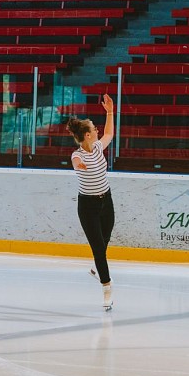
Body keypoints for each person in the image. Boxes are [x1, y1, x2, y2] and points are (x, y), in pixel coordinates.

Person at [66, 94, 115, 311]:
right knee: (98, 248)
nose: (97, 131)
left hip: (107, 201)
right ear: (87, 135)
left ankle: (97, 266)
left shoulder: (97, 148)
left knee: (104, 240)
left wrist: (110, 112)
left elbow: (109, 133)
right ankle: (107, 287)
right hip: (88, 207)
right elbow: (76, 162)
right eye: (94, 129)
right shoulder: (78, 155)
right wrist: (79, 166)